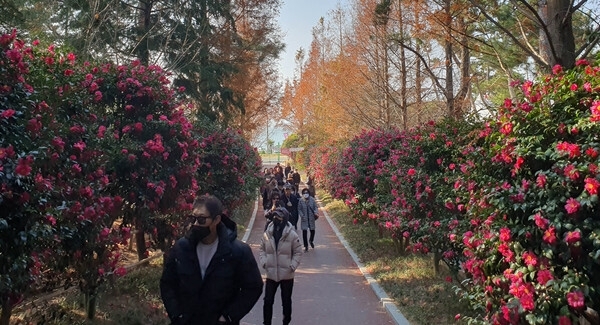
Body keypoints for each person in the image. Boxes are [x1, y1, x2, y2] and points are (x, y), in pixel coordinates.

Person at [160, 195, 263, 325]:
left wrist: (229, 316)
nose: (196, 224)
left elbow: (253, 287)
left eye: (202, 219)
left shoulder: (238, 252)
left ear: (216, 220)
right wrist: (176, 314)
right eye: (194, 219)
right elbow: (167, 283)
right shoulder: (181, 248)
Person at [259, 208, 303, 325]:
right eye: (275, 216)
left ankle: (286, 321)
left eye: (279, 216)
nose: (276, 218)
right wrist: (264, 262)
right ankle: (266, 322)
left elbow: (298, 252)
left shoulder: (292, 235)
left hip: (286, 275)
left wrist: (292, 266)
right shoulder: (268, 233)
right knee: (267, 301)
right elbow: (262, 249)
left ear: (285, 218)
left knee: (286, 301)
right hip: (271, 273)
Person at [298, 188, 318, 252]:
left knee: (312, 231)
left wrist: (315, 212)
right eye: (304, 193)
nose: (305, 194)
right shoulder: (301, 201)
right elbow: (299, 209)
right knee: (304, 232)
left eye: (307, 193)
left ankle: (311, 240)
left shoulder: (312, 200)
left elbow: (315, 207)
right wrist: (302, 215)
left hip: (311, 218)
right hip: (304, 218)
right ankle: (306, 246)